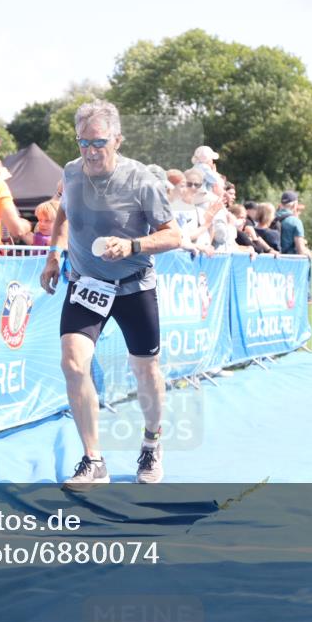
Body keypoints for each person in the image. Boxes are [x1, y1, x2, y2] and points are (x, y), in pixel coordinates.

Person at [39, 100, 180, 489]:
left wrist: (133, 245)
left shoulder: (141, 180)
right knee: (73, 363)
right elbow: (63, 214)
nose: (90, 151)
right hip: (86, 284)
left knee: (146, 369)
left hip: (134, 285)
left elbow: (173, 235)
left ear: (117, 139)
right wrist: (53, 255)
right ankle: (93, 460)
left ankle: (151, 442)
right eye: (83, 142)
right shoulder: (71, 172)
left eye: (98, 143)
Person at [276, 191, 310, 257]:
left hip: (270, 259)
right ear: (295, 205)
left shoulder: (271, 217)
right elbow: (301, 250)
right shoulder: (295, 222)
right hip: (288, 260)